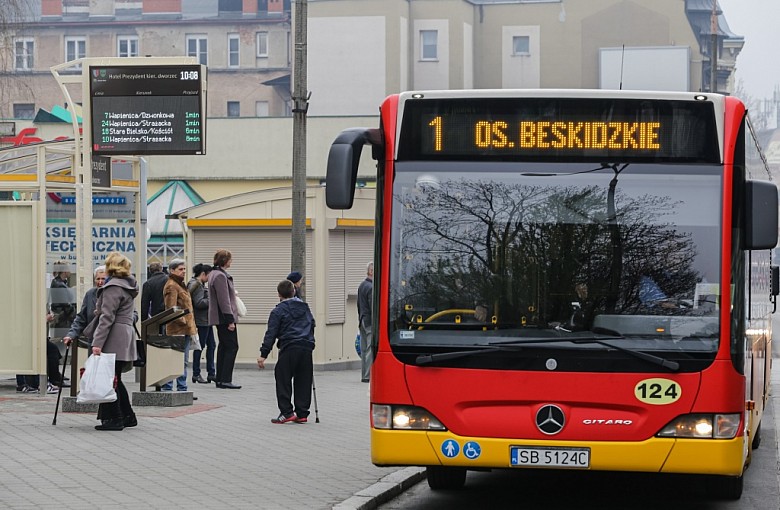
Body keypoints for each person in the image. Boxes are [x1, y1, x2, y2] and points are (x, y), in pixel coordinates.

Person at [90, 251, 139, 431]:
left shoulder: (113, 288)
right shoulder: (128, 285)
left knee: (110, 379)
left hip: (113, 337)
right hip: (124, 335)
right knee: (115, 377)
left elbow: (106, 317)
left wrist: (97, 343)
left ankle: (116, 418)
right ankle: (128, 416)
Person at [257, 279, 315, 424]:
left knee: (282, 377)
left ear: (279, 294)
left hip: (289, 346)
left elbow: (271, 333)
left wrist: (263, 354)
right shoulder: (305, 307)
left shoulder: (278, 311)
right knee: (304, 379)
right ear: (293, 291)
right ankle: (302, 413)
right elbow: (312, 324)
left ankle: (287, 412)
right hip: (306, 346)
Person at [162, 258, 197, 393]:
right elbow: (171, 308)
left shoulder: (180, 284)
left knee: (183, 360)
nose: (183, 272)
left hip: (185, 329)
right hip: (177, 330)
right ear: (172, 270)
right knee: (176, 360)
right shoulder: (172, 285)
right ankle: (171, 387)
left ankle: (182, 388)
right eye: (180, 269)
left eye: (184, 269)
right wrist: (184, 321)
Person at [208, 249, 241, 389]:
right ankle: (225, 379)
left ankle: (220, 378)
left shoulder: (213, 274)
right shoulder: (220, 276)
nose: (231, 262)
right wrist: (230, 320)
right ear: (225, 261)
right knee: (232, 347)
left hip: (219, 317)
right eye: (230, 259)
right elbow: (224, 300)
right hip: (224, 318)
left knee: (223, 346)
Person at [63, 265, 106, 348]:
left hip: (110, 342)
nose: (100, 282)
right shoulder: (90, 294)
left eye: (103, 279)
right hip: (93, 342)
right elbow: (81, 317)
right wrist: (71, 334)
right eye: (98, 279)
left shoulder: (115, 294)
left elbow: (133, 315)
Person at [188, 263, 216, 384]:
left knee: (211, 345)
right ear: (203, 274)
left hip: (205, 321)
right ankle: (196, 373)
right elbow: (199, 303)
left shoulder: (196, 283)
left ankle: (211, 373)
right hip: (202, 321)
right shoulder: (197, 285)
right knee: (200, 347)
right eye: (209, 275)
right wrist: (212, 300)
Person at [357, 261, 373, 383]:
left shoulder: (362, 285)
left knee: (363, 349)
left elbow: (359, 304)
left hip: (362, 319)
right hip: (369, 322)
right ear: (371, 271)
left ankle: (364, 374)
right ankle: (368, 376)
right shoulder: (371, 287)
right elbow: (373, 307)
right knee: (369, 349)